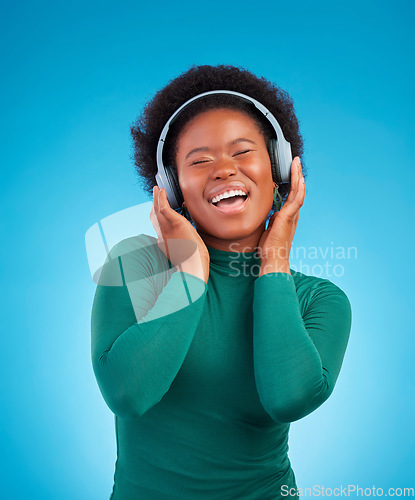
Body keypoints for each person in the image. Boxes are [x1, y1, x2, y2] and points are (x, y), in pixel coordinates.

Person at [91, 64, 352, 499]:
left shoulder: (318, 299)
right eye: (200, 160)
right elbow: (128, 394)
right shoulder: (136, 265)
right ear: (172, 188)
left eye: (242, 152)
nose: (224, 170)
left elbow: (288, 398)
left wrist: (274, 261)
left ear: (280, 170)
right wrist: (191, 270)